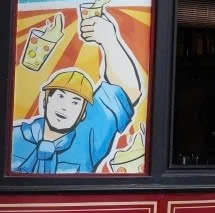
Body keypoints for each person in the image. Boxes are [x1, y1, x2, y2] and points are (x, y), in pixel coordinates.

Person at [11, 10, 143, 173]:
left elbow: (129, 91)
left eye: (75, 102)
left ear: (82, 114)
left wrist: (109, 39)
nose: (65, 107)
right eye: (60, 96)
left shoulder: (87, 137)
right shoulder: (14, 137)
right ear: (46, 100)